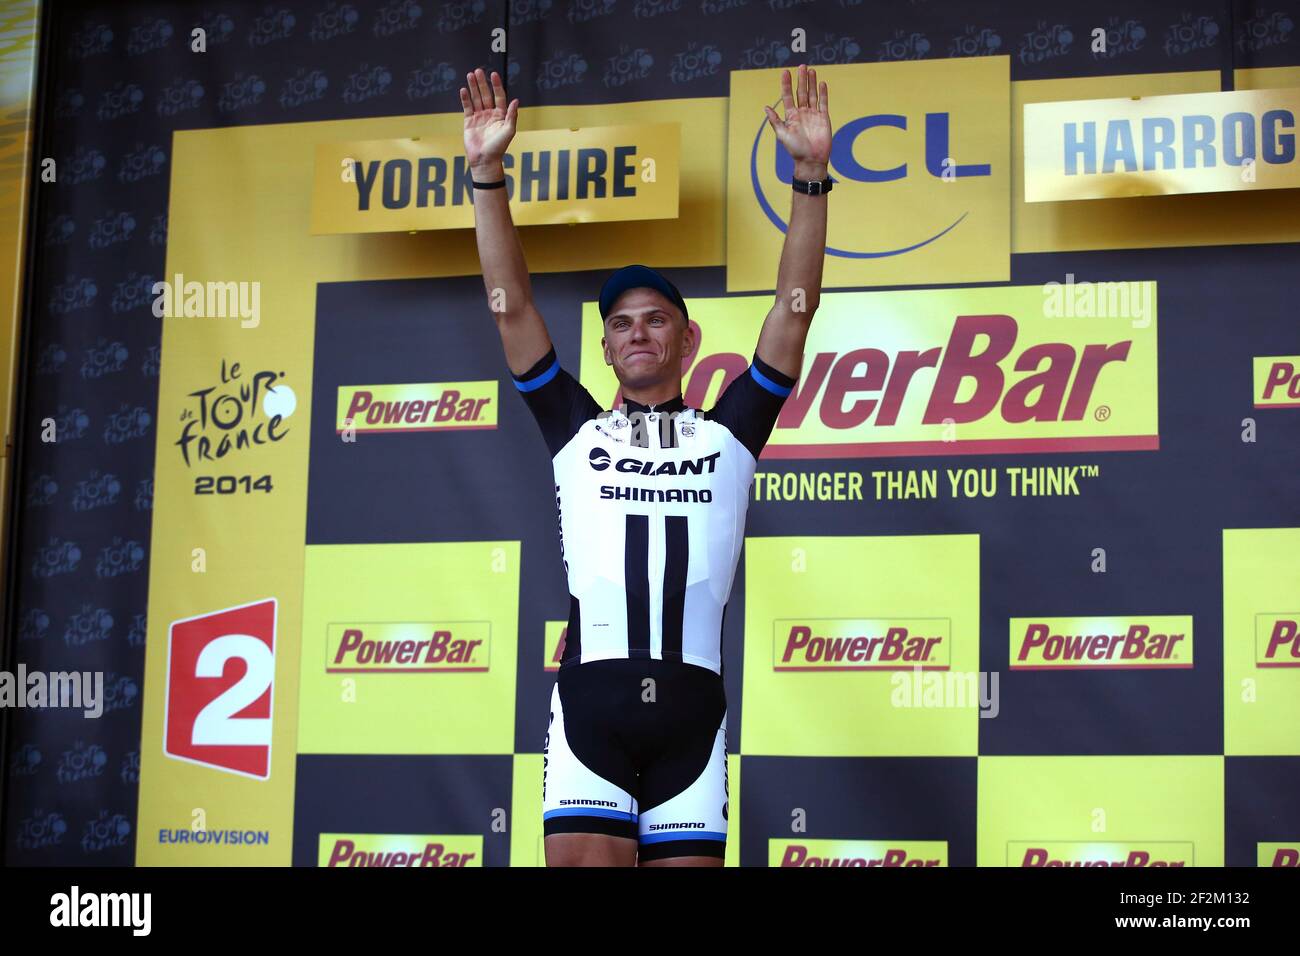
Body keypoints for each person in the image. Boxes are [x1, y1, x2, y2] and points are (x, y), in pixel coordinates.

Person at [460, 63, 831, 866]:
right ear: (604, 346)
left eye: (656, 320)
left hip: (692, 724)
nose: (637, 334)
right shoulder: (573, 428)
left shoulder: (730, 430)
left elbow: (792, 312)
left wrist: (810, 180)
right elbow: (512, 304)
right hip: (590, 712)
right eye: (621, 324)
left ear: (687, 340)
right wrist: (487, 174)